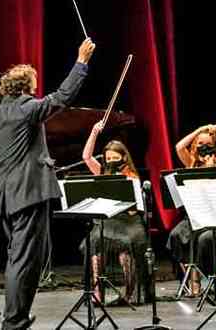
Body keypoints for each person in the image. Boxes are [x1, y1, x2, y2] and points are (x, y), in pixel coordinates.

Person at [0, 37, 95, 330]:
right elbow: (62, 97)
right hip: (29, 195)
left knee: (23, 258)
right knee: (25, 260)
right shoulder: (27, 108)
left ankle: (17, 315)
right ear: (27, 87)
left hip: (9, 197)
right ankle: (14, 321)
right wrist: (81, 61)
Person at [79, 120, 146, 305]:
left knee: (128, 245)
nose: (111, 163)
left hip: (128, 220)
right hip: (107, 220)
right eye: (108, 159)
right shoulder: (101, 171)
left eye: (115, 159)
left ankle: (130, 292)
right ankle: (97, 290)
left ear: (124, 158)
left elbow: (134, 210)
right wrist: (93, 132)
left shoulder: (132, 176)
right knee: (94, 243)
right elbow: (86, 156)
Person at [167, 124, 216, 296]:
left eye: (208, 144)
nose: (203, 148)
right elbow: (179, 146)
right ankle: (191, 278)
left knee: (196, 237)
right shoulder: (190, 163)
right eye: (200, 144)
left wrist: (211, 168)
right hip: (192, 216)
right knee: (176, 235)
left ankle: (196, 281)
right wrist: (201, 129)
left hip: (212, 216)